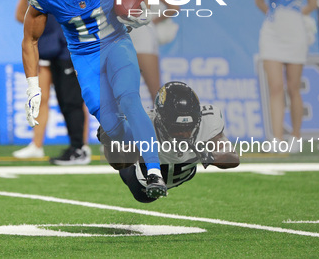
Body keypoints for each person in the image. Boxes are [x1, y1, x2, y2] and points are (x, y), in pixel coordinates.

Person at [22, 0, 167, 198]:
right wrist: (32, 86)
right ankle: (128, 160)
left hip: (115, 43)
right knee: (110, 122)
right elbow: (29, 40)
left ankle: (155, 170)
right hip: (84, 54)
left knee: (128, 98)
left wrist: (137, 8)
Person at [99, 82, 239, 203]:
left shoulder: (208, 120)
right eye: (176, 128)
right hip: (143, 182)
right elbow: (121, 163)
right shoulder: (147, 124)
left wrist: (209, 155)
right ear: (161, 120)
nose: (183, 134)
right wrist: (109, 145)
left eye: (188, 127)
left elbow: (233, 157)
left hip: (185, 173)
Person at [254, 0, 317, 152]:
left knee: (293, 87)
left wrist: (297, 16)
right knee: (276, 87)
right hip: (271, 35)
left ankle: (296, 137)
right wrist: (273, 15)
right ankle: (277, 138)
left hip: (295, 36)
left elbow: (312, 2)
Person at [14, 0, 91, 165]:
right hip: (47, 48)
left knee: (74, 100)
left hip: (69, 49)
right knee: (62, 100)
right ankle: (71, 147)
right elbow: (22, 16)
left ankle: (81, 147)